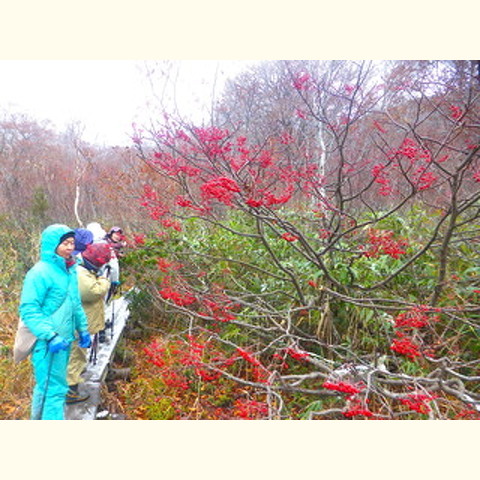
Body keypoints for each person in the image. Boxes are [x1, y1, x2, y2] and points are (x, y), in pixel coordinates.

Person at [19, 224, 91, 420]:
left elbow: (75, 303)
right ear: (53, 245)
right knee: (51, 389)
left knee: (56, 387)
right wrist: (50, 336)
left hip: (65, 340)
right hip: (47, 343)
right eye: (65, 243)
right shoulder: (40, 272)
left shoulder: (70, 270)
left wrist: (83, 329)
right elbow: (29, 309)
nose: (69, 247)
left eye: (72, 243)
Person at [66, 242, 112, 404]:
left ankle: (74, 378)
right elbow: (92, 292)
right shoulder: (80, 272)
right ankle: (70, 391)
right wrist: (104, 280)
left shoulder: (84, 268)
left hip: (81, 321)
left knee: (78, 352)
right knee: (75, 353)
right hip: (78, 323)